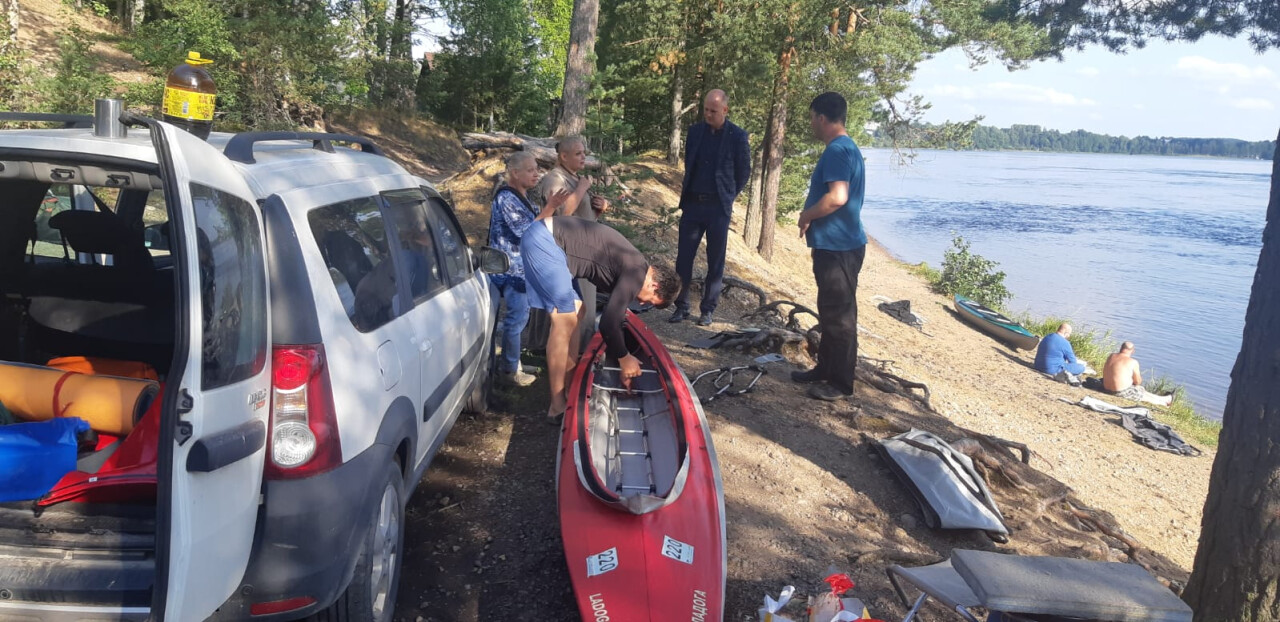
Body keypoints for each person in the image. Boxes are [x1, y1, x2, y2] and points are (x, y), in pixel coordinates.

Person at [519, 216, 680, 420]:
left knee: (579, 311)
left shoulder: (636, 267)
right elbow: (608, 322)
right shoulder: (636, 273)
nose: (642, 304)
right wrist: (624, 358)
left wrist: (625, 355)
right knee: (564, 319)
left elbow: (616, 317)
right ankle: (557, 406)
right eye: (650, 301)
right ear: (654, 286)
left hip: (555, 246)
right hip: (545, 240)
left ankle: (570, 388)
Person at [789, 92, 867, 402]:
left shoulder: (837, 150)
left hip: (839, 247)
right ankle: (825, 369)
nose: (811, 124)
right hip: (837, 245)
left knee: (841, 316)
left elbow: (838, 197)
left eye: (812, 118)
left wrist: (806, 215)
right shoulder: (845, 147)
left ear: (822, 118)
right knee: (831, 311)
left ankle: (839, 383)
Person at [669, 89, 751, 327]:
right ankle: (681, 306)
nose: (708, 114)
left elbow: (743, 172)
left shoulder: (737, 136)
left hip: (718, 209)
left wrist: (728, 196)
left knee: (716, 261)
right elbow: (689, 163)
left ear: (725, 110)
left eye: (713, 111)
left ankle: (707, 309)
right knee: (683, 258)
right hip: (693, 205)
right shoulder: (695, 132)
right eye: (705, 109)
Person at [487, 152, 568, 386]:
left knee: (517, 320)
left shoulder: (523, 198)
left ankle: (513, 363)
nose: (537, 174)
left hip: (520, 270)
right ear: (515, 173)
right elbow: (526, 232)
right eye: (531, 170)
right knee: (513, 321)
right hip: (509, 271)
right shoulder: (506, 198)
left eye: (537, 169)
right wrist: (551, 206)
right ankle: (509, 371)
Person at [528, 136, 608, 353]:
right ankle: (555, 355)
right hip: (565, 257)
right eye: (578, 153)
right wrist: (581, 189)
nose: (584, 157)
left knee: (585, 309)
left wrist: (596, 211)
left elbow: (581, 219)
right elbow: (561, 215)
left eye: (584, 153)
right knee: (570, 310)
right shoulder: (556, 179)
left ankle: (580, 354)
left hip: (583, 253)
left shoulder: (573, 178)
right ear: (563, 156)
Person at [1103, 342, 1174, 406]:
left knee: (1139, 389)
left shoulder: (1111, 356)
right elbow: (1137, 382)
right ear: (1133, 351)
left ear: (1121, 348)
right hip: (1118, 392)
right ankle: (1163, 403)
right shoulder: (1133, 362)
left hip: (1105, 388)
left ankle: (1164, 398)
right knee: (1140, 392)